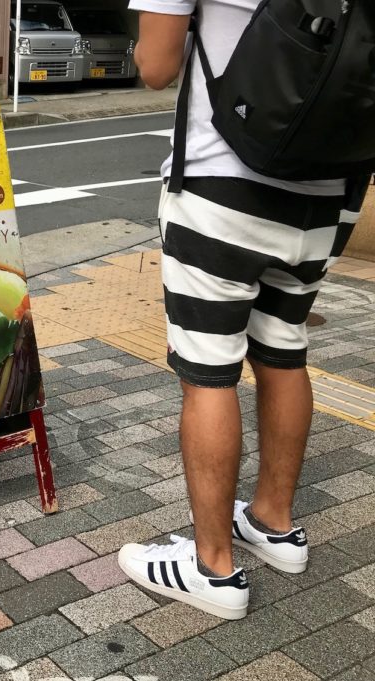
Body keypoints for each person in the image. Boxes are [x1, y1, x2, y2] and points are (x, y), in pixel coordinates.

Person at [116, 0, 369, 621]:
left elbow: (155, 65)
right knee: (284, 348)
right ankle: (275, 525)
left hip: (221, 186)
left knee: (209, 370)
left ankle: (212, 568)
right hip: (328, 197)